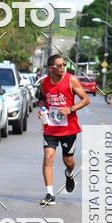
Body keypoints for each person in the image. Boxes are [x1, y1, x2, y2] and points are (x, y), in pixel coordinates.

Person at [38, 54, 90, 205]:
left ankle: (69, 173)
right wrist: (42, 109)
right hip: (50, 127)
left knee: (68, 160)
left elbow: (86, 99)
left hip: (69, 128)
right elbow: (41, 98)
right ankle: (49, 194)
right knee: (48, 157)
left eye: (64, 65)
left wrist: (71, 109)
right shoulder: (45, 83)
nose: (62, 68)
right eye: (59, 65)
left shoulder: (71, 79)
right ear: (51, 68)